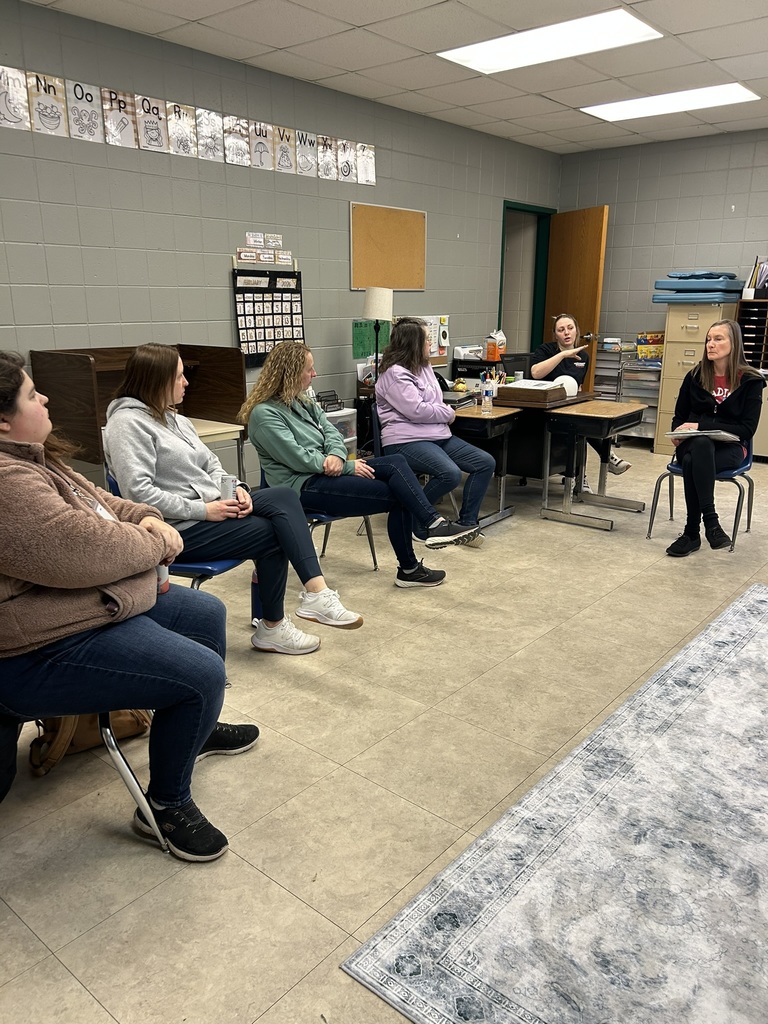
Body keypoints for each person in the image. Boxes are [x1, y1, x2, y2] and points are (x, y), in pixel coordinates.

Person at [0, 350, 258, 862]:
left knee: (207, 615)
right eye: (33, 394)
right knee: (200, 674)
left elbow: (104, 502)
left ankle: (190, 734)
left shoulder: (34, 456)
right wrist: (157, 544)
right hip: (37, 643)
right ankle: (162, 806)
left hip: (87, 602)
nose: (45, 396)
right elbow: (83, 551)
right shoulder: (7, 482)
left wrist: (143, 516)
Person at [104, 344, 363, 657]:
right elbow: (138, 494)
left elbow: (211, 464)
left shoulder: (176, 419)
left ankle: (314, 595)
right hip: (176, 529)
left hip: (212, 509)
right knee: (272, 533)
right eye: (179, 377)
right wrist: (205, 510)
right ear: (155, 381)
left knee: (282, 496)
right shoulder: (126, 424)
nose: (186, 383)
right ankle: (274, 625)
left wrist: (237, 487)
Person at [239, 342, 480, 590]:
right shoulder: (264, 414)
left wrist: (338, 457)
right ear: (290, 373)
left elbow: (333, 433)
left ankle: (431, 527)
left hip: (327, 473)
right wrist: (346, 467)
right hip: (301, 487)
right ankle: (413, 561)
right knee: (402, 493)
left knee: (397, 463)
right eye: (309, 369)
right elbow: (297, 458)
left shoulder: (303, 402)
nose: (315, 374)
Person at [375, 317, 495, 547]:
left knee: (485, 463)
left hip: (436, 435)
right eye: (427, 339)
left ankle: (466, 524)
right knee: (449, 473)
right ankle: (418, 521)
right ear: (413, 342)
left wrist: (440, 411)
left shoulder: (425, 366)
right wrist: (448, 414)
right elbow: (416, 410)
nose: (430, 343)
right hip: (405, 440)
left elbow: (434, 401)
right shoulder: (394, 374)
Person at [665, 319, 765, 557]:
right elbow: (678, 418)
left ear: (735, 343)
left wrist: (702, 424)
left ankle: (691, 533)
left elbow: (747, 429)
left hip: (729, 448)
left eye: (718, 339)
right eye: (708, 339)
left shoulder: (751, 381)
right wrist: (678, 432)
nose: (711, 344)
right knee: (699, 445)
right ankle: (712, 523)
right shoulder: (696, 376)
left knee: (692, 462)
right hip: (692, 444)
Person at [531, 313, 632, 488]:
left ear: (577, 331)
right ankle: (597, 465)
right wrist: (562, 355)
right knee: (578, 425)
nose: (566, 333)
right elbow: (535, 373)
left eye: (570, 328)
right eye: (561, 330)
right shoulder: (546, 350)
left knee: (586, 420)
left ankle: (584, 474)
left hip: (568, 405)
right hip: (546, 408)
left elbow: (577, 387)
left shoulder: (583, 357)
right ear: (555, 335)